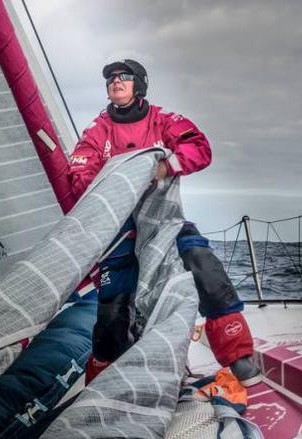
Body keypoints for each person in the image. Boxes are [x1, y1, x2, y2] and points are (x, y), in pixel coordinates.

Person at [67, 59, 261, 386]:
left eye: (124, 77)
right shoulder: (98, 129)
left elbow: (199, 148)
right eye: (111, 79)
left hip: (165, 221)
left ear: (139, 84)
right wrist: (117, 182)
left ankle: (237, 355)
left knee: (204, 264)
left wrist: (164, 167)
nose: (116, 82)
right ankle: (103, 380)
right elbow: (78, 176)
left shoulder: (163, 119)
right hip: (121, 229)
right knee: (114, 304)